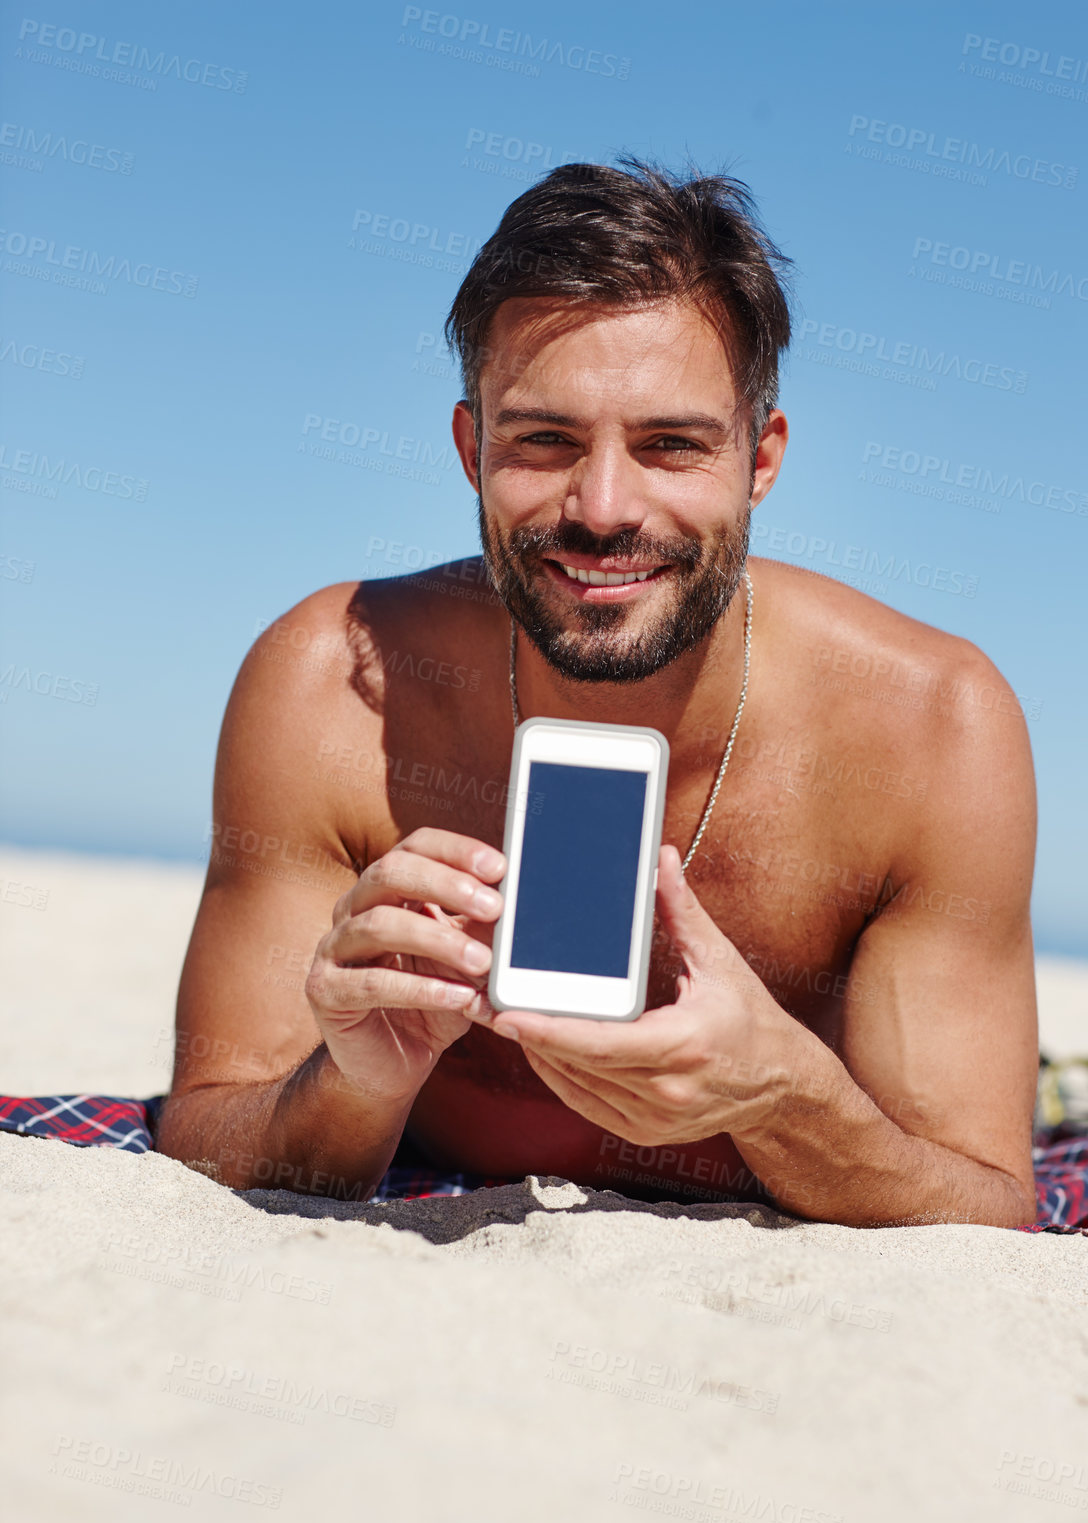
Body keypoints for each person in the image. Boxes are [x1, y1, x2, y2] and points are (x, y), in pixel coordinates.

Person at [157, 158, 1038, 1228]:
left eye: (670, 445)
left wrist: (782, 1095)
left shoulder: (931, 727)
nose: (604, 506)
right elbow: (204, 1140)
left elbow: (988, 1209)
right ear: (470, 447)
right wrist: (352, 1085)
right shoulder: (327, 684)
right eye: (543, 440)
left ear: (759, 461)